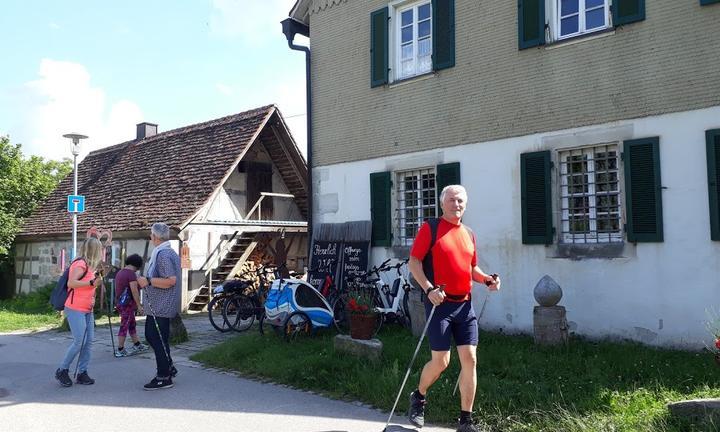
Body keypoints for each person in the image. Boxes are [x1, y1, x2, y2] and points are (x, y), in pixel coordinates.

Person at [407, 185, 501, 432]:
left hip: (464, 306)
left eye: (460, 201)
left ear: (465, 205)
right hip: (439, 304)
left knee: (470, 359)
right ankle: (418, 396)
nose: (456, 204)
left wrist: (487, 279)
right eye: (451, 200)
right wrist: (429, 289)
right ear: (442, 204)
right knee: (441, 362)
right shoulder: (431, 228)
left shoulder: (469, 234)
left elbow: (472, 268)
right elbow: (413, 261)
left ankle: (465, 421)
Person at [55, 237, 104, 387]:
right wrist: (90, 283)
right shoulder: (80, 263)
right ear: (94, 250)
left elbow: (90, 287)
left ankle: (82, 372)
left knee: (88, 342)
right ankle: (62, 370)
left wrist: (94, 294)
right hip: (75, 308)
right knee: (78, 341)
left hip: (87, 309)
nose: (101, 253)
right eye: (100, 249)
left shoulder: (91, 266)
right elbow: (72, 283)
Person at [137, 222, 181, 390]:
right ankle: (168, 367)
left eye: (151, 235)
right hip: (159, 304)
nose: (150, 237)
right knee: (156, 338)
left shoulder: (163, 255)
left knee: (155, 337)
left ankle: (164, 376)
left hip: (161, 305)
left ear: (155, 237)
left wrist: (147, 280)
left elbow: (171, 280)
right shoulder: (167, 251)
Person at [113, 254, 148, 357]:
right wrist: (139, 305)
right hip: (127, 305)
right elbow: (134, 291)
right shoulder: (131, 274)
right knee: (124, 325)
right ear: (137, 265)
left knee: (132, 324)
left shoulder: (121, 272)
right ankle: (120, 349)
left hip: (120, 302)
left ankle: (137, 344)